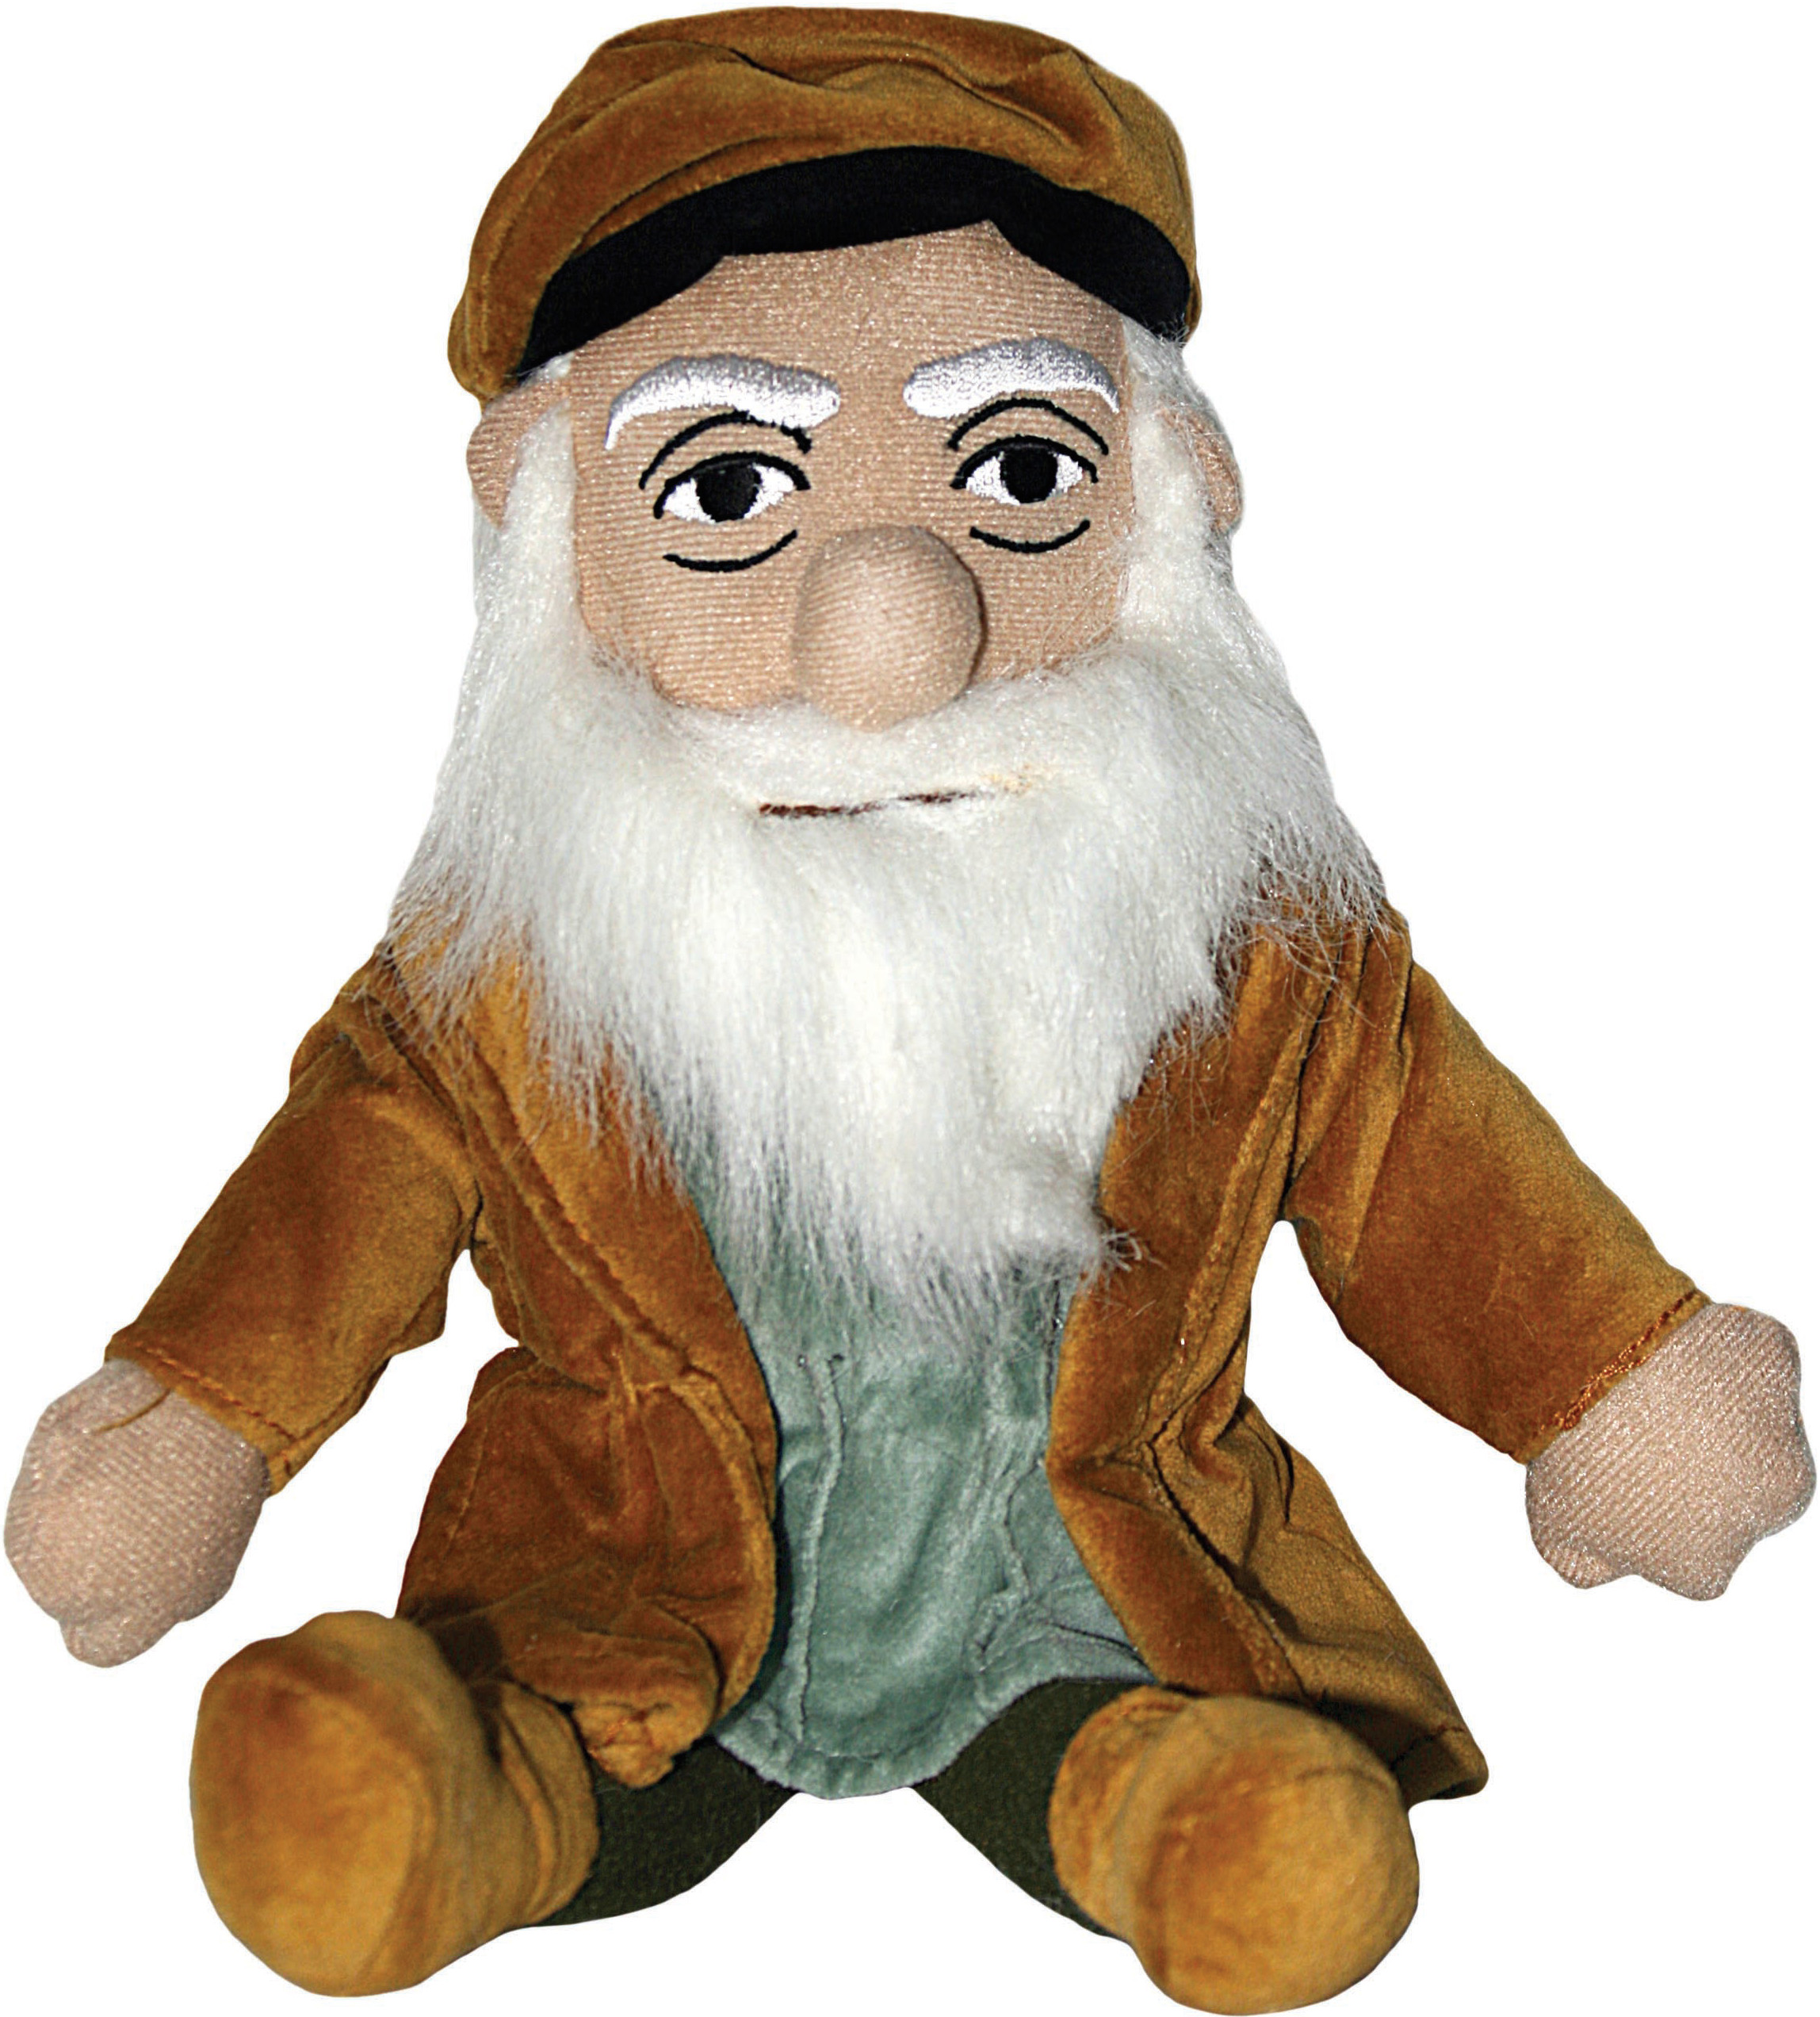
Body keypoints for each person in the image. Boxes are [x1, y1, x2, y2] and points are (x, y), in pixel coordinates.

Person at [6, 13, 1811, 2012]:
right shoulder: (503, 976)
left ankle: (1174, 1813)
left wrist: (1610, 1385)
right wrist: (193, 1428)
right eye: (725, 487)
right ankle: (456, 1803)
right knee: (523, 1737)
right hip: (621, 1586)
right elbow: (328, 1208)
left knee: (1212, 1790)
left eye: (1018, 470)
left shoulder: (1247, 944)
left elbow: (1422, 1175)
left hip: (1092, 1588)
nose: (891, 637)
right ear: (546, 517)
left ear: (1174, 489)